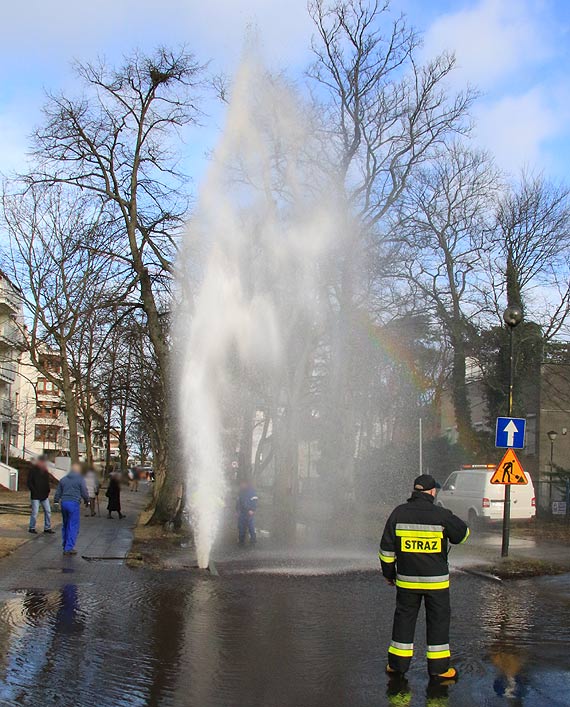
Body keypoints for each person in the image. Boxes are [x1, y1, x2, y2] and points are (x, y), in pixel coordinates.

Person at [379, 474, 469, 682]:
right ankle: (439, 669)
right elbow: (463, 535)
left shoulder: (398, 513)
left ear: (414, 491)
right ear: (431, 492)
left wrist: (389, 574)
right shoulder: (441, 514)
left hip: (406, 581)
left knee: (403, 620)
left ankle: (397, 666)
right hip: (436, 584)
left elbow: (386, 549)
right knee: (438, 622)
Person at [54, 463, 89, 556]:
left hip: (64, 503)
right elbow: (84, 492)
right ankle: (68, 548)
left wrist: (56, 501)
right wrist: (87, 500)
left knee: (65, 524)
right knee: (73, 525)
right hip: (73, 503)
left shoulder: (63, 479)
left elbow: (58, 492)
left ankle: (65, 543)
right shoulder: (80, 479)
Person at [27, 456, 54, 535]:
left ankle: (47, 527)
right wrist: (34, 491)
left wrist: (48, 491)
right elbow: (29, 483)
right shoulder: (32, 471)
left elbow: (47, 483)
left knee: (48, 511)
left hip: (44, 496)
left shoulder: (45, 471)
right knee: (35, 512)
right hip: (35, 495)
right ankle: (32, 527)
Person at [236, 478, 258, 546]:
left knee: (251, 526)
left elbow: (255, 501)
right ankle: (241, 540)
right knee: (241, 527)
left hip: (249, 512)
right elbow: (238, 502)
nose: (241, 485)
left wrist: (252, 510)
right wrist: (237, 510)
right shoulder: (241, 492)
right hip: (242, 512)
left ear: (246, 484)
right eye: (241, 484)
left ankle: (253, 540)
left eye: (243, 483)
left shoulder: (252, 492)